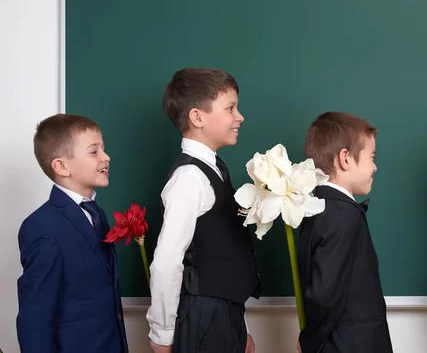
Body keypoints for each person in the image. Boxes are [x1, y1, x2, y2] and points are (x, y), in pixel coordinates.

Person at [147, 68, 261, 353]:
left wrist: (238, 328)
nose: (239, 116)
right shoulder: (189, 178)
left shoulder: (215, 169)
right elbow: (166, 262)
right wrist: (162, 334)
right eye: (230, 108)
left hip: (224, 315)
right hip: (204, 315)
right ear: (197, 117)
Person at [16, 114, 127, 353]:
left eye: (103, 149)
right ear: (61, 166)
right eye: (93, 151)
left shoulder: (97, 214)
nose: (106, 157)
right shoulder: (42, 226)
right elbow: (35, 316)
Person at [297, 111, 393, 353]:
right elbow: (324, 293)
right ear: (345, 159)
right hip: (350, 344)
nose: (375, 166)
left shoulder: (319, 207)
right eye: (371, 157)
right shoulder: (341, 214)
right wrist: (309, 340)